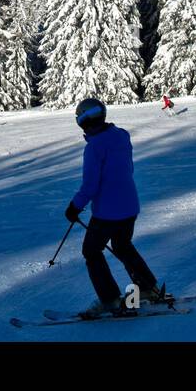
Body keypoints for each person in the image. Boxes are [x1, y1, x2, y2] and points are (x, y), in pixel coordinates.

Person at [64, 97, 167, 319]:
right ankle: (148, 287)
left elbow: (91, 186)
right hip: (130, 206)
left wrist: (74, 207)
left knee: (91, 251)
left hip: (108, 213)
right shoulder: (121, 135)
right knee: (122, 246)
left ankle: (110, 299)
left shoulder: (94, 147)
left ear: (82, 121)